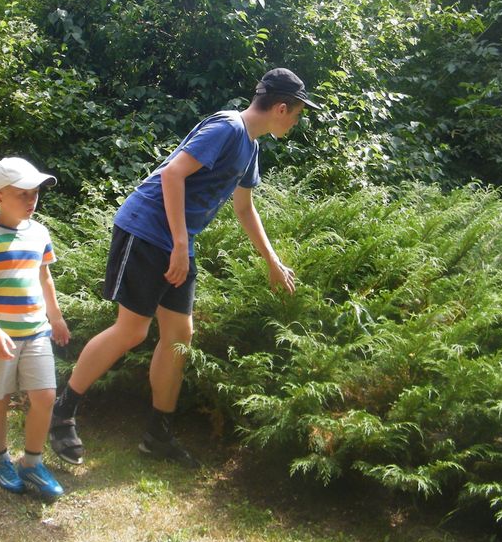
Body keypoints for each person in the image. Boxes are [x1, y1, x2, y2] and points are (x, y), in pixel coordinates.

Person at [50, 68, 316, 467]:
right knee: (133, 329)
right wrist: (178, 244)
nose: (295, 121)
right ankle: (60, 412)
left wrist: (272, 261)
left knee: (179, 335)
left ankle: (157, 434)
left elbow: (244, 208)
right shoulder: (227, 128)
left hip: (176, 241)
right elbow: (173, 174)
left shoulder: (251, 148)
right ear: (281, 107)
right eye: (296, 113)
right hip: (146, 229)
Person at [0, 157, 70, 501]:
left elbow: (45, 277)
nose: (31, 200)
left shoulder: (39, 232)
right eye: (22, 193)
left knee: (45, 397)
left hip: (36, 332)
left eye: (35, 192)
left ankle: (32, 463)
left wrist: (55, 317)